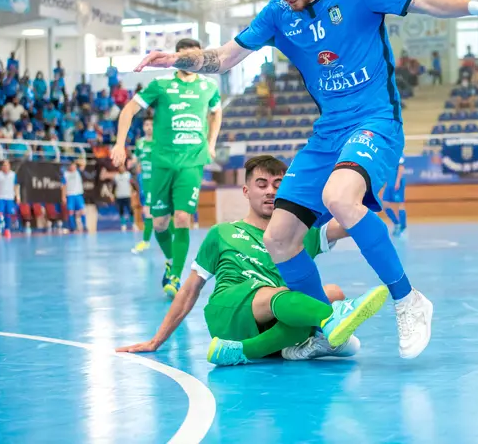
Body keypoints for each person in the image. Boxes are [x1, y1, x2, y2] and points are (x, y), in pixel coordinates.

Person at [132, 0, 478, 360]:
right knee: (280, 239)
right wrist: (179, 60)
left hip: (375, 121)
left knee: (339, 196)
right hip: (328, 132)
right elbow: (225, 58)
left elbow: (423, 1)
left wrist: (477, 8)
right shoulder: (279, 13)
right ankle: (317, 328)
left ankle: (407, 298)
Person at [116, 155, 388, 366]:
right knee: (286, 294)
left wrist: (366, 180)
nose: (270, 191)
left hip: (274, 321)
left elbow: (351, 220)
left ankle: (251, 351)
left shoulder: (298, 233)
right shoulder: (222, 233)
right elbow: (189, 290)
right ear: (246, 191)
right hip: (229, 313)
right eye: (262, 185)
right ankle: (329, 324)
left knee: (332, 292)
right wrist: (157, 339)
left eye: (277, 185)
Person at [111, 38, 223, 299]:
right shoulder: (160, 85)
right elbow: (128, 110)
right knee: (160, 222)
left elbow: (216, 112)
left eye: (191, 56)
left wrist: (211, 143)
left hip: (192, 162)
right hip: (162, 163)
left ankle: (175, 276)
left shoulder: (209, 86)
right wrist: (119, 144)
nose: (186, 60)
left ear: (198, 57)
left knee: (183, 217)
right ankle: (172, 259)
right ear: (176, 57)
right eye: (181, 56)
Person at [130, 117, 155, 254]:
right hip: (144, 181)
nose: (149, 127)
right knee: (148, 211)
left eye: (151, 124)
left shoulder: (159, 142)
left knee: (150, 211)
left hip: (157, 181)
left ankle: (146, 241)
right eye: (146, 124)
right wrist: (131, 163)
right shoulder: (140, 143)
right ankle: (147, 241)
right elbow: (135, 158)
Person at [381, 154, 407, 237]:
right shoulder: (387, 153)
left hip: (397, 183)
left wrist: (398, 181)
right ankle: (397, 223)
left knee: (400, 204)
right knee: (384, 204)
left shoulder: (398, 153)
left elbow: (401, 167)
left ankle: (403, 227)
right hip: (389, 183)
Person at [0, 160, 19, 238]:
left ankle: (7, 230)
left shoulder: (13, 175)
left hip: (10, 198)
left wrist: (17, 196)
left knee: (9, 214)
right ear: (2, 167)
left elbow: (16, 186)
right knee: (0, 214)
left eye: (7, 165)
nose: (5, 167)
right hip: (1, 197)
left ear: (9, 166)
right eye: (4, 165)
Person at [61, 160, 87, 233]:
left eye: (74, 165)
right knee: (70, 211)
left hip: (78, 195)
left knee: (82, 211)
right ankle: (73, 227)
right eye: (71, 165)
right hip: (70, 195)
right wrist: (63, 196)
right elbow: (64, 186)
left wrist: (76, 161)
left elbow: (84, 163)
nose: (73, 167)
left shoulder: (78, 172)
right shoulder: (66, 174)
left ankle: (84, 226)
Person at [112, 164, 135, 232]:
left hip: (127, 195)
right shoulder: (116, 176)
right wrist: (113, 194)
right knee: (121, 211)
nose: (121, 169)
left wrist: (135, 190)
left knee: (130, 210)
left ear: (125, 168)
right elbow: (114, 186)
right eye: (120, 168)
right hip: (119, 196)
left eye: (123, 167)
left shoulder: (128, 175)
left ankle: (133, 224)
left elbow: (132, 183)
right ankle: (123, 225)